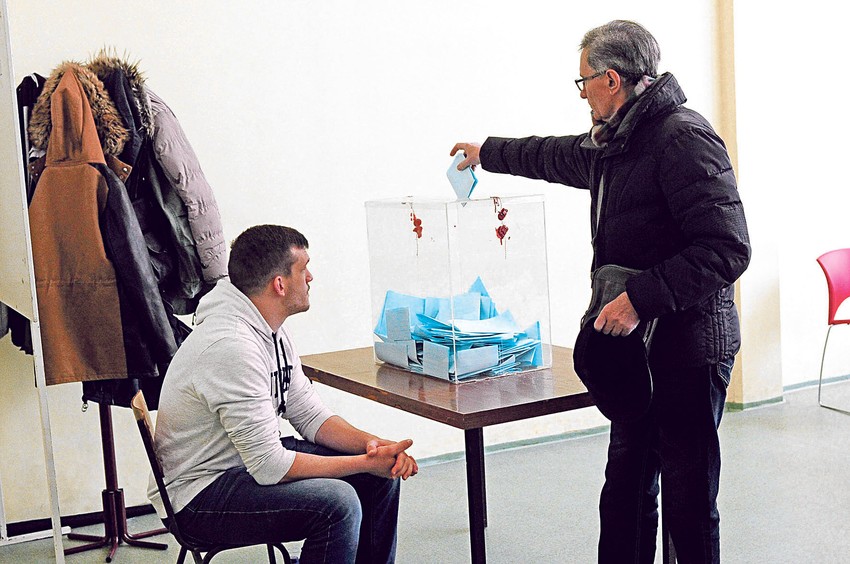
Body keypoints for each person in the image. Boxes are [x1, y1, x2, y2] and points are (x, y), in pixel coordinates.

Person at [452, 19, 750, 564]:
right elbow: (552, 155)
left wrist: (639, 299)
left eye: (583, 81)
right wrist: (486, 152)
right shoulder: (617, 142)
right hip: (637, 353)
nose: (581, 93)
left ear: (611, 79)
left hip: (688, 351)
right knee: (625, 493)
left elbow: (726, 249)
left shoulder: (682, 138)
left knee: (688, 502)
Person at [149, 224, 418, 564]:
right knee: (339, 503)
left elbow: (309, 415)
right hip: (199, 495)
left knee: (378, 479)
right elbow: (269, 466)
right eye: (304, 269)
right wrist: (364, 462)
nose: (311, 278)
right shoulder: (232, 346)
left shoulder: (269, 328)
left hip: (241, 464)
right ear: (280, 284)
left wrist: (376, 447)